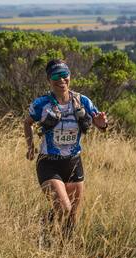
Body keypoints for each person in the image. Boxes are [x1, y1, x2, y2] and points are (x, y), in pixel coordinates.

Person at [24, 59, 108, 244]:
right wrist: (30, 146)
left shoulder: (82, 101)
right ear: (49, 79)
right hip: (49, 162)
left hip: (73, 161)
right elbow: (27, 122)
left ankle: (64, 249)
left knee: (72, 218)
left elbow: (99, 122)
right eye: (56, 76)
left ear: (70, 76)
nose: (61, 80)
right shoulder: (42, 104)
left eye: (64, 75)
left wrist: (102, 124)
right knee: (64, 208)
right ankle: (44, 229)